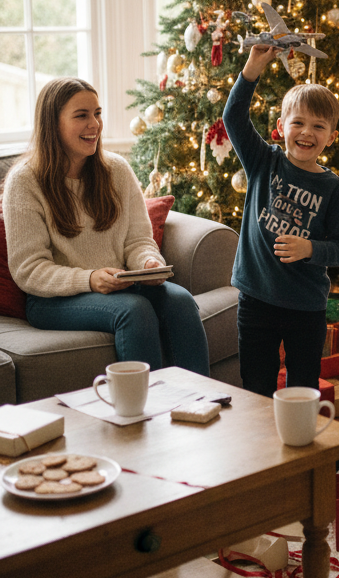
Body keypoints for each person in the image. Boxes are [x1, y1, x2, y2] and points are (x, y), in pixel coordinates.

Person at [3, 77, 209, 375]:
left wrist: (148, 262)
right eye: (81, 115)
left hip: (119, 285)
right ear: (53, 123)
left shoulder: (117, 170)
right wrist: (89, 279)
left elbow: (138, 240)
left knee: (180, 300)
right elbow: (29, 269)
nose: (95, 124)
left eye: (97, 113)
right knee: (134, 310)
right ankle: (144, 414)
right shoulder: (24, 182)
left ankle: (201, 403)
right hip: (52, 301)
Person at [223, 43, 339, 398]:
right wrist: (251, 69)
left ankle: (302, 449)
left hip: (305, 306)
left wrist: (310, 248)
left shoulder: (333, 188)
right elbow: (233, 118)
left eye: (318, 126)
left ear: (331, 135)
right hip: (256, 296)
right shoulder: (263, 162)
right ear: (281, 127)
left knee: (302, 388)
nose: (307, 133)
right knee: (257, 385)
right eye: (298, 123)